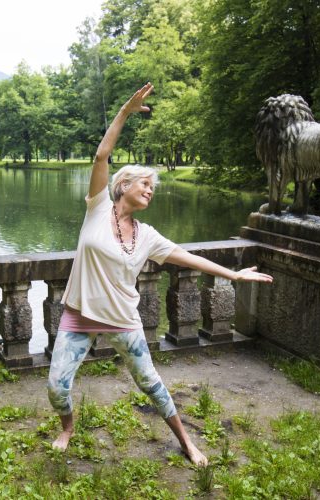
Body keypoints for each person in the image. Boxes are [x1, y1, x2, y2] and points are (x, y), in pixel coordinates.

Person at [47, 82, 273, 466]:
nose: (151, 191)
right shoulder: (98, 208)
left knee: (152, 384)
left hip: (122, 321)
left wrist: (233, 276)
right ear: (123, 186)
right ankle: (68, 427)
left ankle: (186, 441)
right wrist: (125, 112)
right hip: (79, 316)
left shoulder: (147, 236)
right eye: (145, 184)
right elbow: (102, 155)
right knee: (56, 387)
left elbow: (187, 258)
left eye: (154, 187)